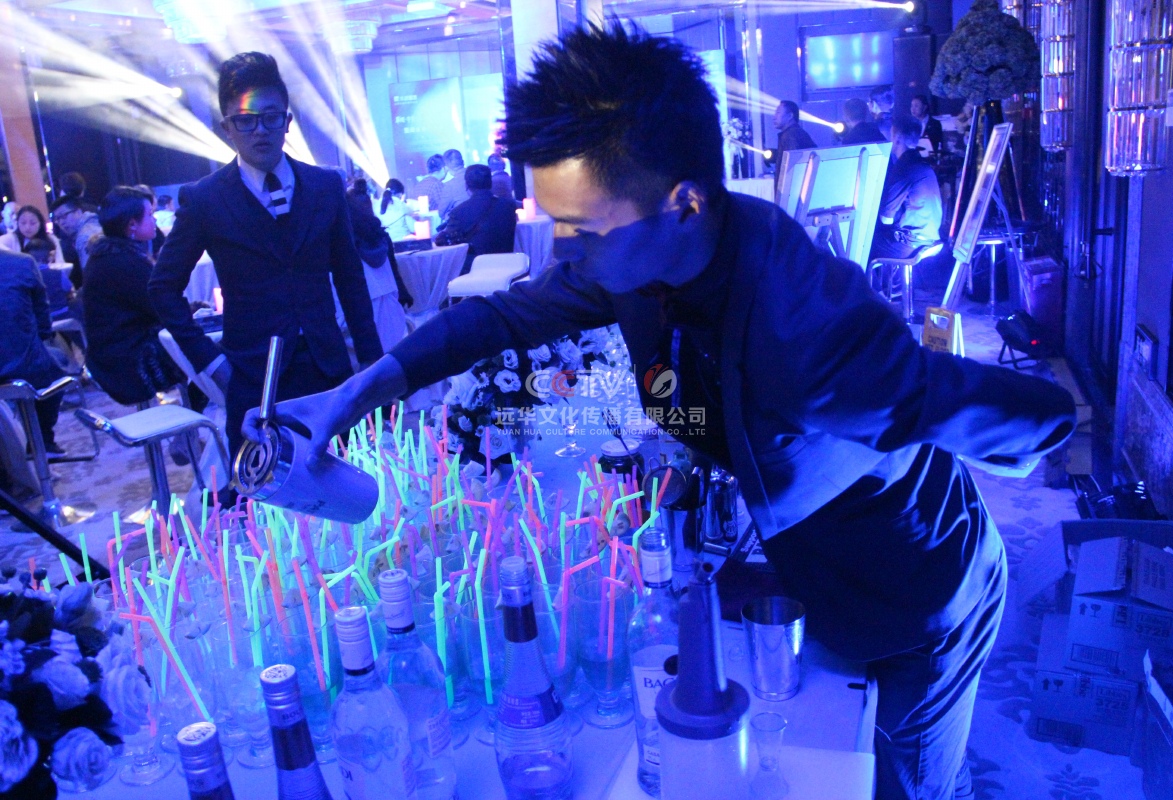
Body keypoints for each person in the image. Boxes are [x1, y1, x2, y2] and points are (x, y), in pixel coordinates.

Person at [246, 27, 1075, 800]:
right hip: (804, 572)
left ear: (684, 203)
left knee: (903, 780)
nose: (562, 251)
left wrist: (1050, 426)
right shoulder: (639, 262)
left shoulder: (808, 338)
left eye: (579, 228)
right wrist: (354, 393)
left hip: (912, 592)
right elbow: (504, 317)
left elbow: (990, 409)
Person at [148, 51, 383, 465]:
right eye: (245, 120)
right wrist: (212, 364)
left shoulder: (325, 185)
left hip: (328, 368)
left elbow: (350, 277)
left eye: (271, 117)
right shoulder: (205, 199)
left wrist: (370, 360)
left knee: (346, 477)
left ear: (287, 121)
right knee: (262, 488)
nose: (260, 130)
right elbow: (162, 288)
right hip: (252, 376)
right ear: (227, 127)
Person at [81, 187, 185, 405]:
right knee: (205, 348)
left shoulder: (108, 257)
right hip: (129, 362)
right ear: (132, 225)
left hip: (111, 355)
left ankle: (190, 418)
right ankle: (196, 417)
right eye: (149, 214)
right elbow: (162, 307)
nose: (154, 219)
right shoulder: (124, 263)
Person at [0, 249, 66, 455]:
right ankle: (43, 441)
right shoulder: (21, 263)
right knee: (56, 361)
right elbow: (43, 321)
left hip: (19, 363)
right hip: (24, 366)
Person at [347, 180, 413, 351]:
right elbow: (395, 273)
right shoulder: (380, 237)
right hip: (392, 309)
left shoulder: (344, 245)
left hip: (361, 313)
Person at [870, 115, 944, 262]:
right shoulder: (922, 164)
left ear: (897, 139)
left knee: (863, 243)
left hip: (911, 244)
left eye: (891, 135)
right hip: (931, 238)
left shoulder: (904, 167)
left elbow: (886, 219)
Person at [433, 164, 519, 273]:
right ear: (490, 183)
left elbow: (449, 244)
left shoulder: (458, 212)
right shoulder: (509, 205)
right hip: (509, 265)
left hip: (475, 270)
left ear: (467, 185)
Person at [49, 195, 102, 286]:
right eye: (57, 219)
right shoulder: (96, 222)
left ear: (78, 211)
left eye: (64, 216)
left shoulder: (84, 237)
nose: (61, 222)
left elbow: (91, 276)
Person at [768, 100, 815, 191]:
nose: (774, 117)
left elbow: (792, 165)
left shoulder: (791, 135)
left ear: (790, 116)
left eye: (778, 112)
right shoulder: (794, 133)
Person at [0, 205, 65, 264]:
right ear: (17, 223)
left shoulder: (51, 239)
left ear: (40, 223)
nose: (27, 227)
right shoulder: (12, 238)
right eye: (23, 223)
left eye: (33, 223)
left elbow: (60, 263)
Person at [440, 148, 470, 213]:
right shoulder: (477, 176)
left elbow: (442, 212)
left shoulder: (449, 186)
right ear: (463, 161)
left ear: (446, 166)